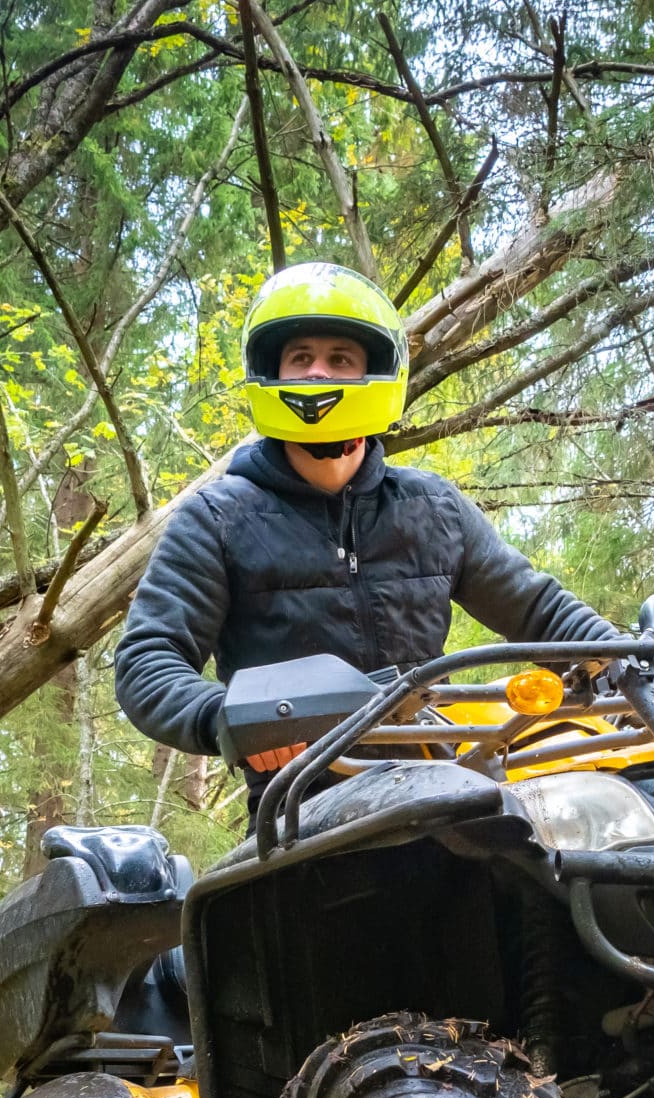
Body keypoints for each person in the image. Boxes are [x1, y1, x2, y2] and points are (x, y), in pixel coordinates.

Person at [114, 262, 618, 781]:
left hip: (444, 786)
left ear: (374, 372)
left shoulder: (434, 508)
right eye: (301, 358)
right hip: (299, 805)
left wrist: (629, 672)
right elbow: (149, 659)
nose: (317, 373)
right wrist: (230, 718)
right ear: (273, 370)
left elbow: (540, 611)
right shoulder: (217, 519)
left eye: (339, 359)